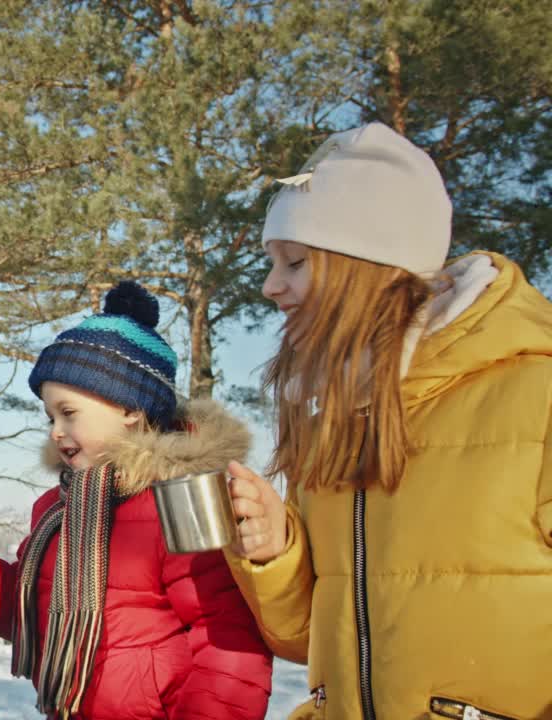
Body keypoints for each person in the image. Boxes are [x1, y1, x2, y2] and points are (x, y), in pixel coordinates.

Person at [226, 122, 552, 719]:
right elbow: (304, 642)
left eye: (295, 262)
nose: (272, 287)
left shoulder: (538, 397)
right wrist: (277, 552)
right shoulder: (333, 422)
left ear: (370, 268)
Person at [0, 281, 272, 719]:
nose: (55, 431)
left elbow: (227, 639)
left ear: (131, 408)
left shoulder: (177, 503)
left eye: (69, 413)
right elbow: (33, 609)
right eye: (50, 416)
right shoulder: (57, 510)